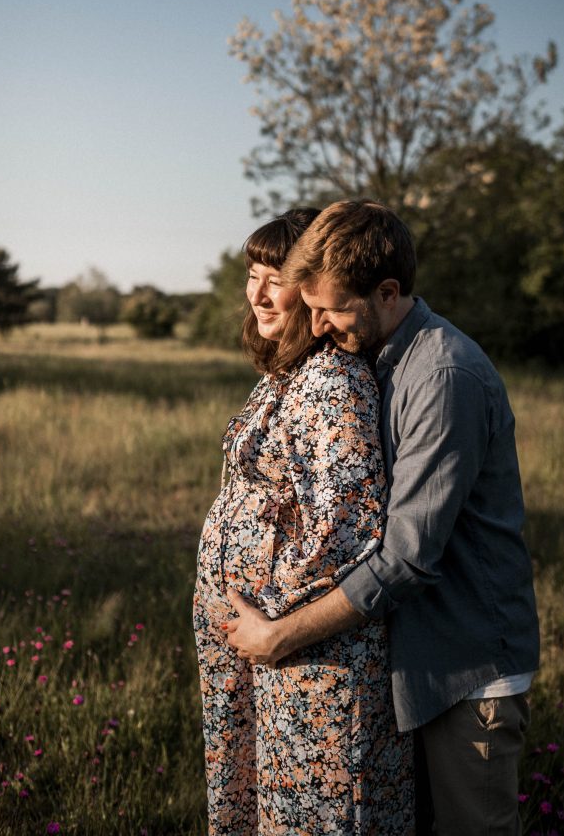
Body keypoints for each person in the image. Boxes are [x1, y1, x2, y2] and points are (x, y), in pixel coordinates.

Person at [225, 200, 540, 836]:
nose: (314, 326)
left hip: (466, 666)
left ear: (389, 291)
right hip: (415, 659)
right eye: (307, 305)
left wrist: (279, 638)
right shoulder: (385, 353)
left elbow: (407, 558)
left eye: (330, 309)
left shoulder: (442, 375)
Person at [193, 208, 414, 836]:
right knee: (257, 805)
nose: (259, 292)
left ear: (312, 283)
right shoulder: (283, 375)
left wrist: (273, 622)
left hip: (306, 651)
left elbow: (344, 527)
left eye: (276, 277)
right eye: (252, 274)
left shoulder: (332, 380)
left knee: (313, 817)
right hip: (258, 643)